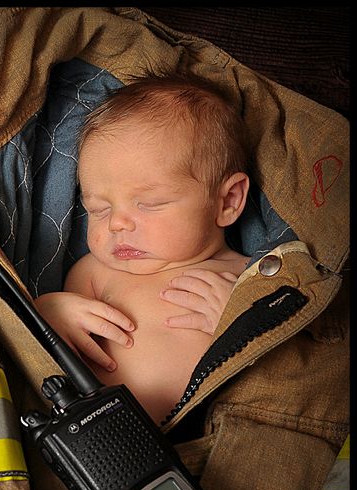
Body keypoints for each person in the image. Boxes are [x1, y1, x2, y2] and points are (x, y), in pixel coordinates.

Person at [35, 73, 250, 424]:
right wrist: (50, 312)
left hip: (206, 442)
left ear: (227, 201)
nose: (116, 224)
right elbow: (58, 352)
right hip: (96, 440)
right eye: (98, 209)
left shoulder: (244, 276)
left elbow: (286, 368)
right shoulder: (95, 273)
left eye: (148, 203)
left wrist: (243, 321)